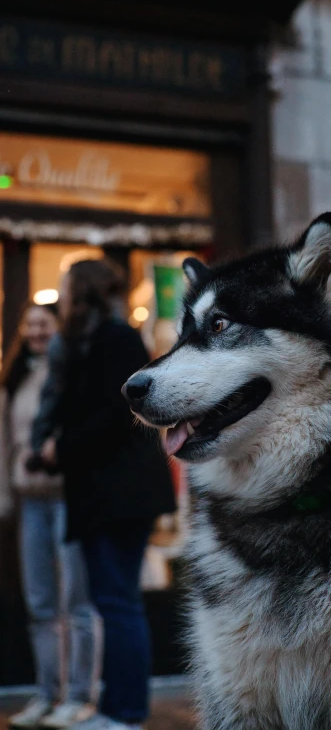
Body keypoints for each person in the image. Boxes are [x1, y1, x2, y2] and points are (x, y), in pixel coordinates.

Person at [32, 259, 175, 730]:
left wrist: (60, 446)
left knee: (117, 602)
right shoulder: (95, 340)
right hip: (106, 495)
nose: (63, 295)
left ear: (83, 292)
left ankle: (125, 712)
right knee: (113, 601)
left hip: (119, 495)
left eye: (67, 287)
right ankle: (118, 707)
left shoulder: (113, 338)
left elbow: (116, 417)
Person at [0, 302, 99, 730]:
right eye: (31, 324)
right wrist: (5, 495)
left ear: (57, 327)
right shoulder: (13, 381)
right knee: (40, 604)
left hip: (69, 497)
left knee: (76, 603)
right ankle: (46, 694)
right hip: (30, 502)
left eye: (44, 323)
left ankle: (79, 697)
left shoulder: (70, 373)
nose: (37, 330)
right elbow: (3, 444)